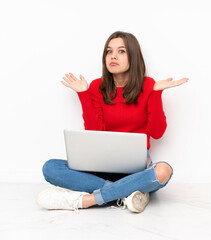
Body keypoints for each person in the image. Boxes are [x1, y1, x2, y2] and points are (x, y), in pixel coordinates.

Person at [36, 31, 188, 213]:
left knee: (163, 170)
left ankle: (88, 200)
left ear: (133, 56)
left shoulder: (148, 85)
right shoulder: (95, 87)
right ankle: (127, 192)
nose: (113, 56)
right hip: (101, 165)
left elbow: (157, 132)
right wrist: (83, 93)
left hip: (135, 170)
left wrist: (156, 93)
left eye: (121, 51)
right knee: (50, 167)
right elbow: (95, 132)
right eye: (109, 51)